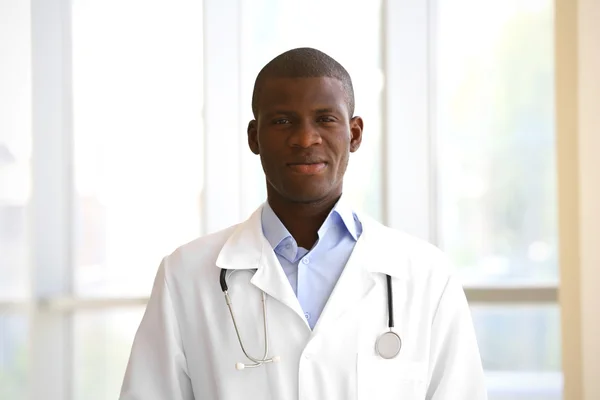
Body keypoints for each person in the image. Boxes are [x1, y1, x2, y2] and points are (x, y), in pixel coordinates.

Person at [120, 47, 487, 400]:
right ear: (254, 137)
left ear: (354, 134)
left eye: (325, 119)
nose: (305, 138)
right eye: (282, 121)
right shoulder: (185, 274)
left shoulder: (425, 274)